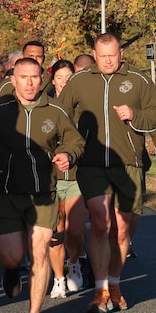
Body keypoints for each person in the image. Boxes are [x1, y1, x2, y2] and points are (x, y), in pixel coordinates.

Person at [59, 32, 156, 313]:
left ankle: (115, 286)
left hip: (128, 163)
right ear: (94, 55)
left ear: (121, 54)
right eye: (102, 55)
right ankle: (100, 290)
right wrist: (69, 148)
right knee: (101, 222)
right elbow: (61, 115)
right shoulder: (79, 81)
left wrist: (134, 114)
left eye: (112, 55)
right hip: (92, 164)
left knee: (121, 230)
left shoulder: (138, 80)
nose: (107, 61)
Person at [0, 56, 83, 313]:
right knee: (12, 256)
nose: (29, 83)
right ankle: (12, 269)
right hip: (7, 192)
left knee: (39, 251)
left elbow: (74, 140)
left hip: (43, 192)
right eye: (23, 77)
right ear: (12, 80)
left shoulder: (55, 110)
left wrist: (67, 154)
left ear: (42, 79)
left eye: (34, 77)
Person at [49, 59, 89, 297]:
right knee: (55, 230)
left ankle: (74, 262)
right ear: (53, 80)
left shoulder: (82, 107)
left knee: (74, 229)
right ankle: (58, 278)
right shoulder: (45, 105)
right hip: (51, 178)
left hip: (75, 175)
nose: (64, 82)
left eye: (69, 77)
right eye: (60, 77)